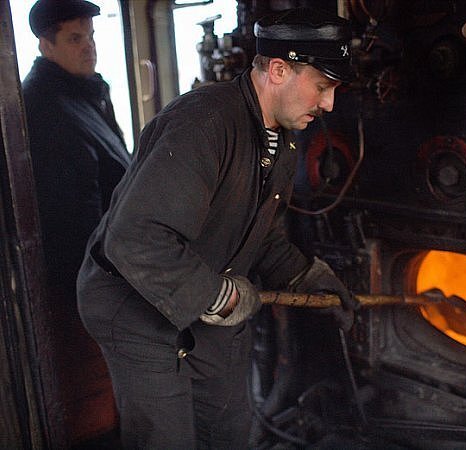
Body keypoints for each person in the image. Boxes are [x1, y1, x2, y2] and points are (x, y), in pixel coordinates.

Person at [77, 6, 358, 449]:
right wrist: (220, 296)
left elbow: (259, 234)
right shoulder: (204, 124)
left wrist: (308, 276)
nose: (328, 104)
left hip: (201, 291)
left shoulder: (280, 140)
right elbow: (137, 238)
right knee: (167, 440)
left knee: (227, 430)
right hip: (133, 301)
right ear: (279, 70)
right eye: (322, 87)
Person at [21, 0, 130, 443]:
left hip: (108, 275)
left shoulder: (84, 95)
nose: (89, 47)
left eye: (91, 37)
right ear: (45, 45)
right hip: (85, 289)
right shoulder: (45, 108)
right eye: (74, 39)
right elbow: (74, 219)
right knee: (97, 414)